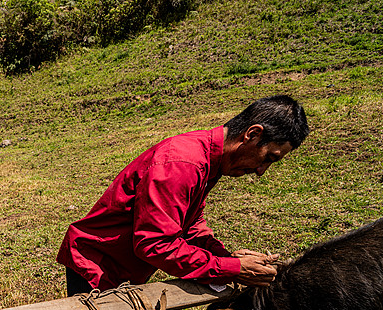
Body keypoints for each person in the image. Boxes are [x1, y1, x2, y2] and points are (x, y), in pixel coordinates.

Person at [57, 95, 309, 296]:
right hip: (97, 265)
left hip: (122, 264)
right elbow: (153, 244)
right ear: (252, 134)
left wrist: (227, 258)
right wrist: (232, 269)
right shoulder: (183, 164)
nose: (261, 171)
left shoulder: (211, 161)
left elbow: (190, 223)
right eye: (268, 158)